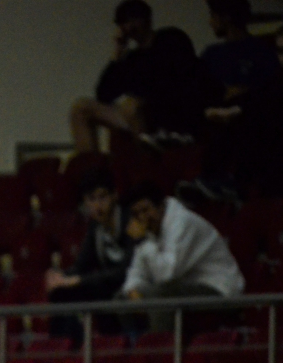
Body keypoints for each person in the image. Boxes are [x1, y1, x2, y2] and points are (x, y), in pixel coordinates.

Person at [69, 0, 208, 152]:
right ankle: (89, 164)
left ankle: (147, 160)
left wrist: (143, 99)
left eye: (133, 20)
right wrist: (117, 54)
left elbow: (181, 78)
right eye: (124, 23)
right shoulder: (131, 59)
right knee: (80, 109)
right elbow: (103, 95)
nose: (129, 27)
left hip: (169, 111)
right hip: (136, 115)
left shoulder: (170, 39)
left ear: (146, 19)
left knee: (132, 106)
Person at [178, 0, 283, 202]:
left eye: (212, 16)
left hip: (250, 117)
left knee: (242, 113)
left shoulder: (261, 51)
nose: (210, 22)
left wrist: (241, 97)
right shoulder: (211, 53)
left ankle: (224, 183)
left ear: (225, 17)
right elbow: (198, 90)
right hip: (213, 112)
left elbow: (269, 91)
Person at [120, 181, 244, 331]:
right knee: (121, 298)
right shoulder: (147, 230)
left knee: (161, 295)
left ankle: (162, 344)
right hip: (185, 287)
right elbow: (136, 271)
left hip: (218, 289)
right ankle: (135, 344)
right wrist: (132, 290)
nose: (142, 217)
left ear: (161, 206)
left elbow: (167, 274)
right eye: (136, 214)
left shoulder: (182, 222)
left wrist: (142, 241)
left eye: (145, 210)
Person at [46, 167, 138, 340]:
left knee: (96, 290)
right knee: (60, 292)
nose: (97, 205)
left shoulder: (130, 221)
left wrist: (79, 280)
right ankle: (64, 346)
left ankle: (114, 342)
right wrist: (60, 277)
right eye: (91, 199)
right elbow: (81, 265)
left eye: (102, 197)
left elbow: (125, 270)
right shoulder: (95, 227)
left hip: (132, 283)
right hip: (107, 287)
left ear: (114, 195)